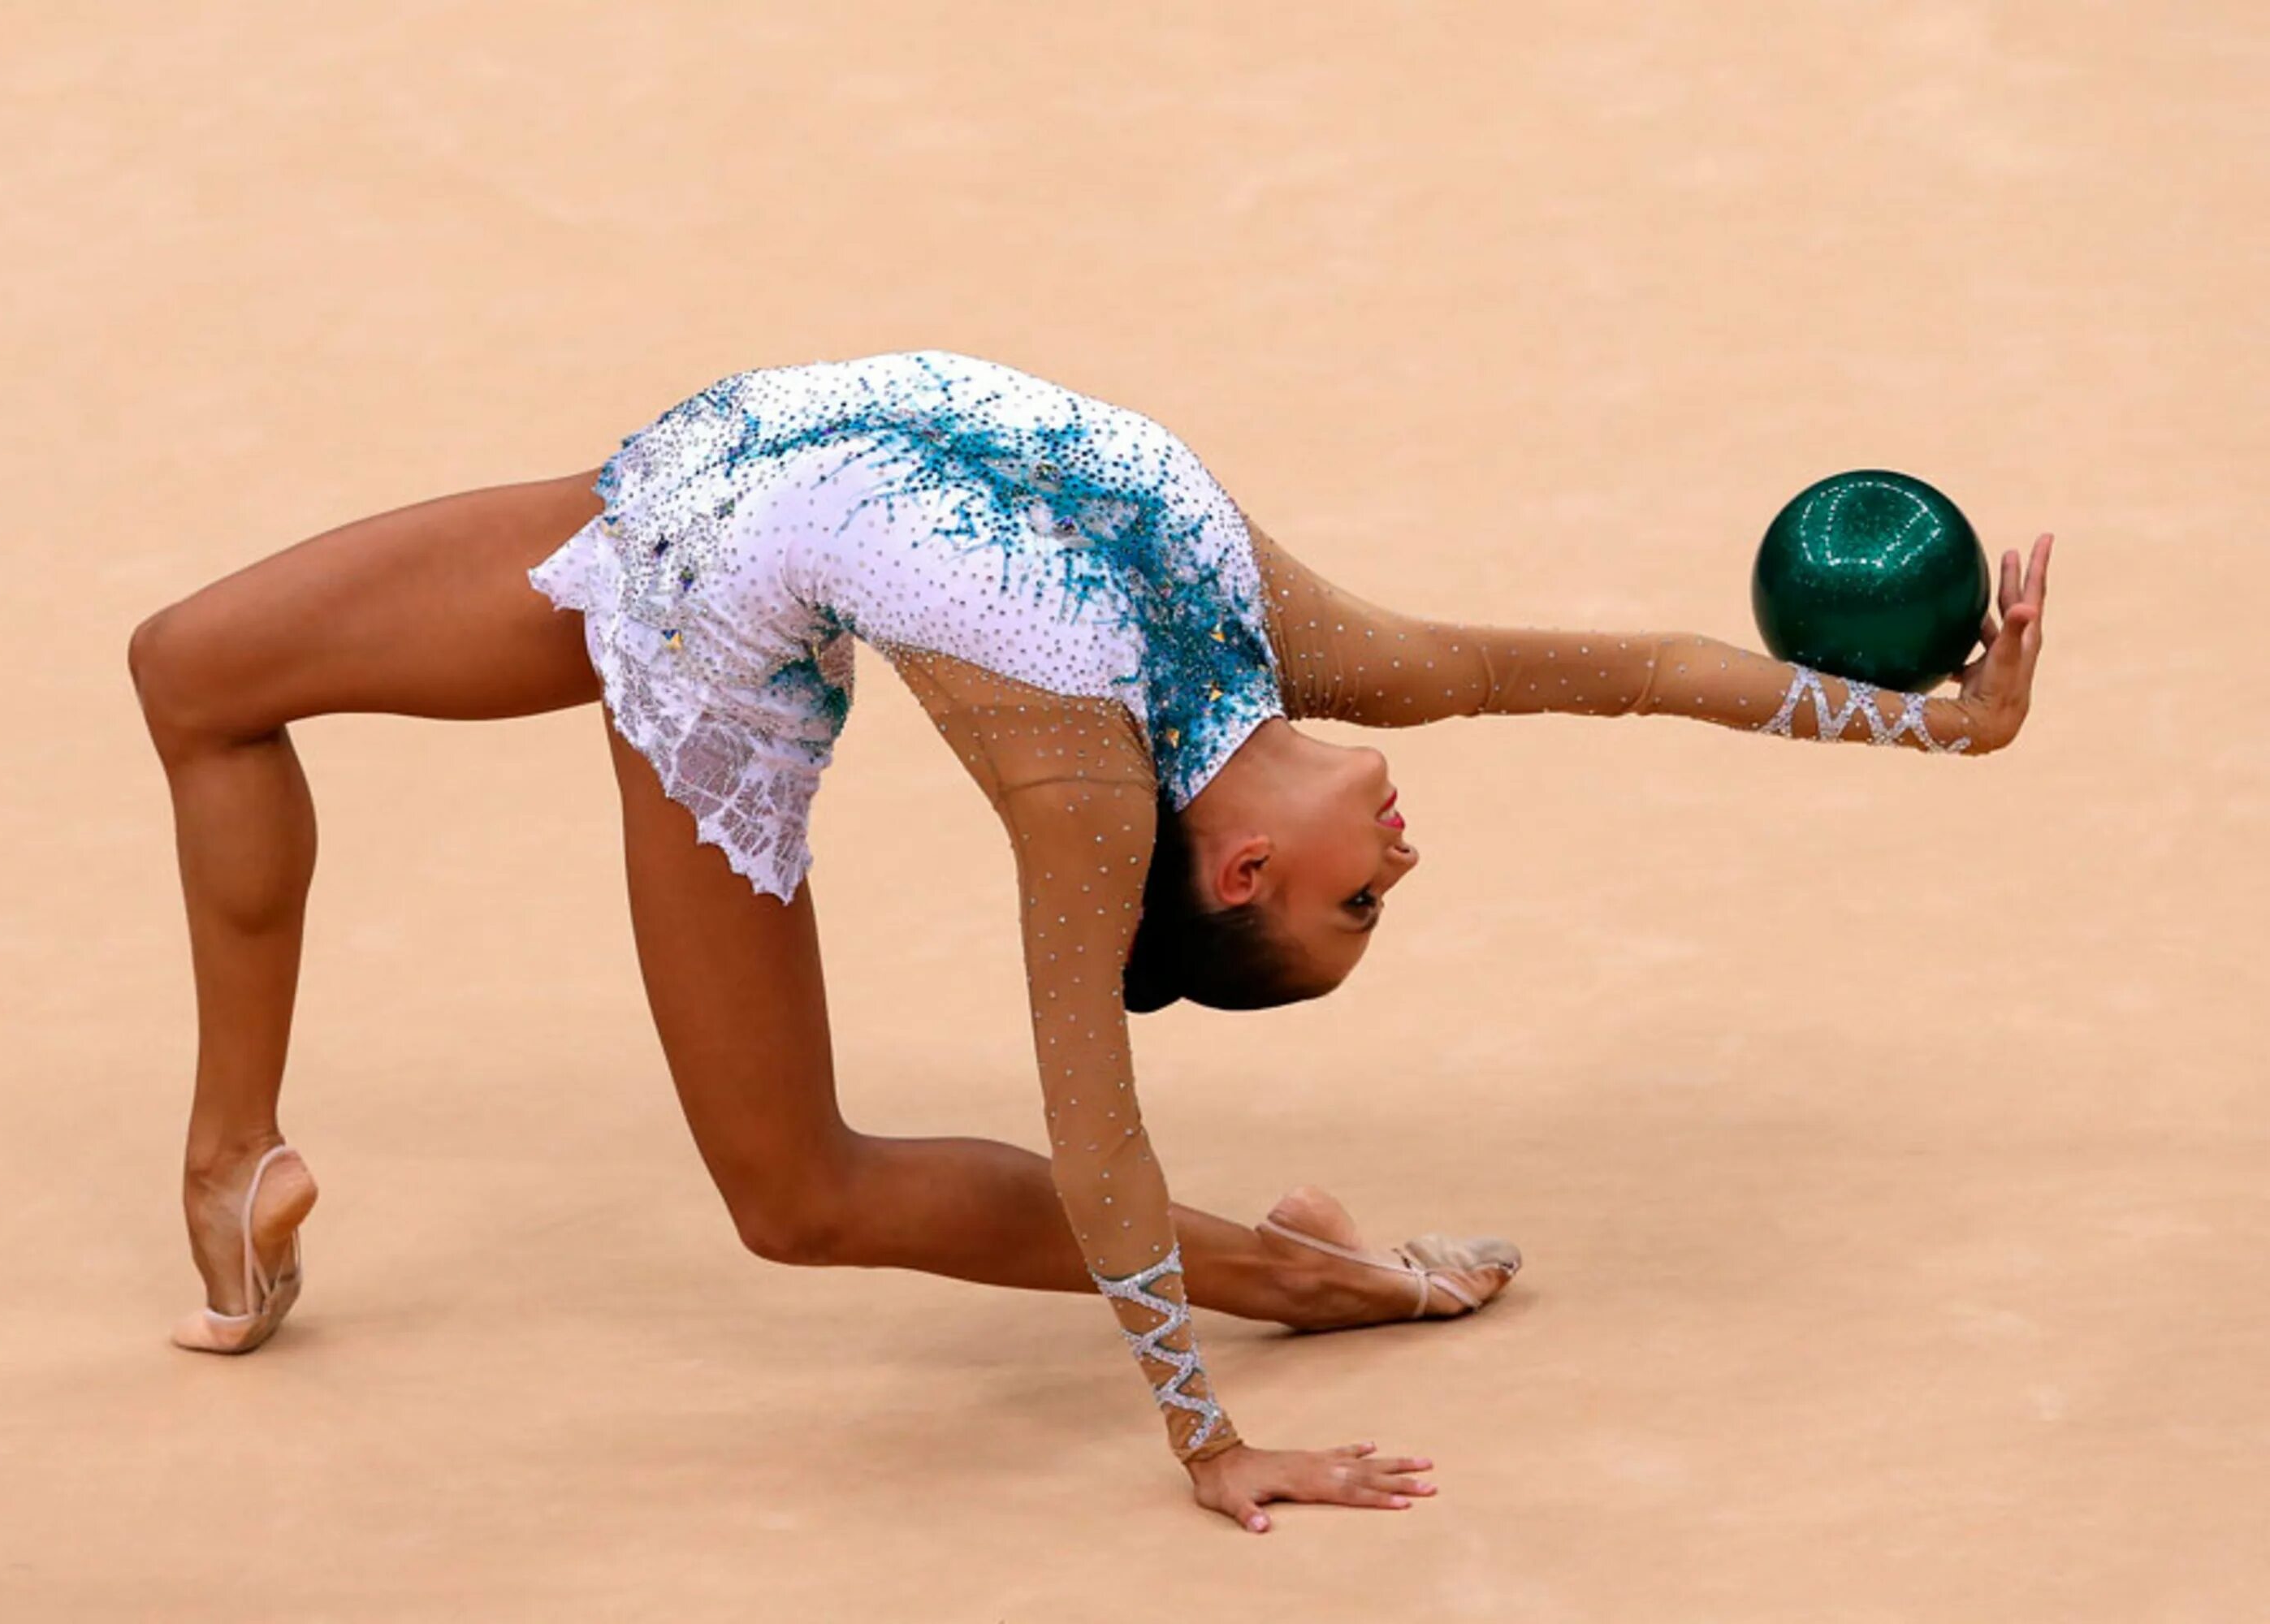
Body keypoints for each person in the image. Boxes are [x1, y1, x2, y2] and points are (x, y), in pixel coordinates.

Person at [127, 350, 2052, 1532]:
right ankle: (236, 1157)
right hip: (695, 473)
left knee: (795, 1197)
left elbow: (1096, 1114)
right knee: (191, 671)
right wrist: (1943, 727)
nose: (1402, 856)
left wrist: (1199, 1430)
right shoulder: (1300, 653)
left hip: (715, 583)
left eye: (1362, 902)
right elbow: (1625, 672)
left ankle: (1322, 1286)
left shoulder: (1091, 793)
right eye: (1374, 905)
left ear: (1235, 882)